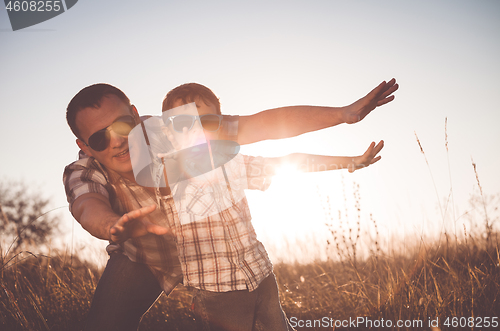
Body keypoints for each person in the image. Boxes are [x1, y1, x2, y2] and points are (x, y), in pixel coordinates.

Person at [63, 79, 398, 331]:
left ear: (135, 116)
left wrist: (344, 114)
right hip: (143, 252)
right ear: (85, 146)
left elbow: (261, 125)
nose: (117, 140)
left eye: (122, 125)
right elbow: (86, 204)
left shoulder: (176, 128)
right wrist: (112, 225)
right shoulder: (84, 170)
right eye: (99, 138)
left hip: (213, 259)